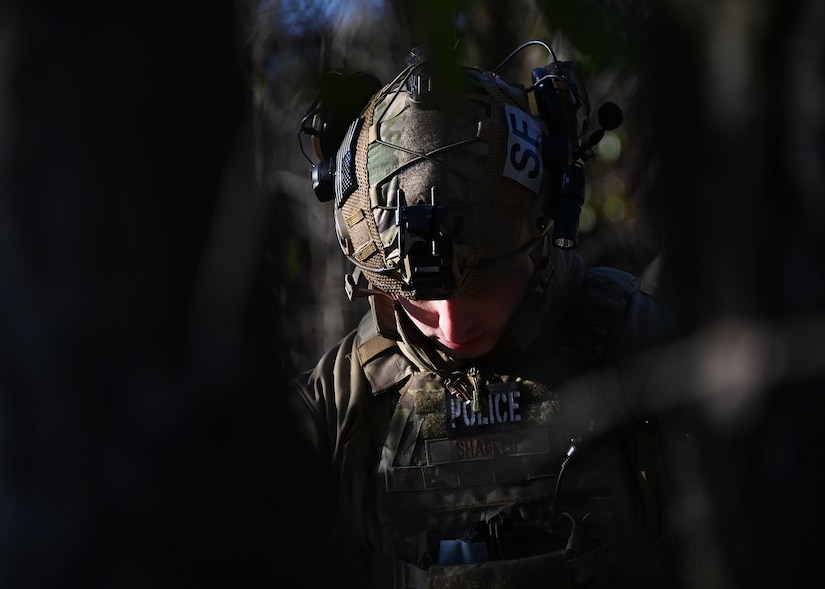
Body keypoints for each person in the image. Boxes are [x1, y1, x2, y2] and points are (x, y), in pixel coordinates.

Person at [286, 40, 681, 589]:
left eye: (484, 284)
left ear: (541, 235)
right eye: (421, 299)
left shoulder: (634, 341)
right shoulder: (343, 397)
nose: (452, 324)